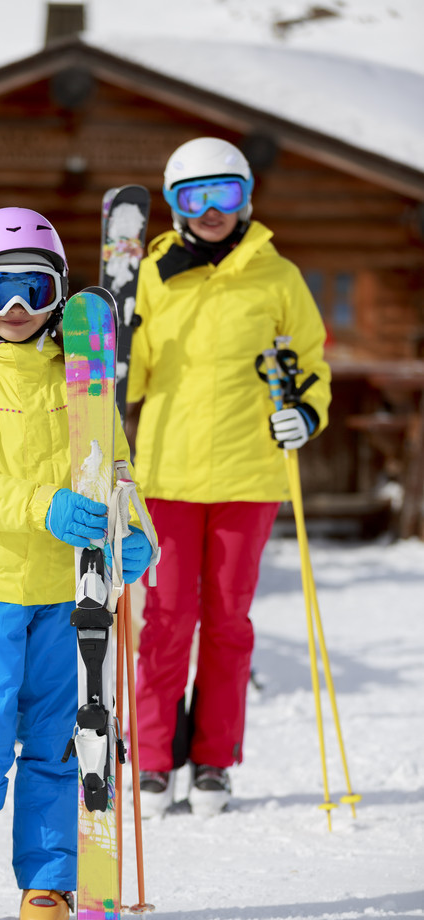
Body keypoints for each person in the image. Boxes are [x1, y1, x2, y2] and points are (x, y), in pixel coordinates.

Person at [0, 207, 154, 920]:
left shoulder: (82, 380)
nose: (17, 308)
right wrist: (40, 505)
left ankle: (50, 877)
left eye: (34, 289)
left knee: (56, 740)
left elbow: (116, 467)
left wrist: (134, 529)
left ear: (58, 296)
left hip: (69, 592)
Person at [125, 137, 331, 818]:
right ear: (176, 204)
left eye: (226, 195)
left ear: (247, 200)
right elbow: (138, 375)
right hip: (169, 473)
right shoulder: (154, 273)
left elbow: (309, 363)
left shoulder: (278, 278)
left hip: (250, 473)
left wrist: (305, 410)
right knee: (166, 619)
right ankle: (155, 759)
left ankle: (213, 760)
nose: (211, 211)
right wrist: (117, 346)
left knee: (229, 621)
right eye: (194, 197)